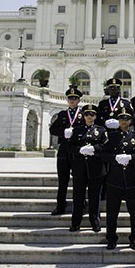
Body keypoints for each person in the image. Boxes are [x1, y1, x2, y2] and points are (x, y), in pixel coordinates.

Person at [100, 107, 135, 250]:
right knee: (112, 212)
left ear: (131, 121)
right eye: (121, 119)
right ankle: (111, 238)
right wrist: (115, 158)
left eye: (126, 119)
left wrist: (131, 158)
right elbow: (102, 154)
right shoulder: (111, 136)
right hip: (115, 180)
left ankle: (134, 238)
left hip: (132, 180)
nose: (124, 121)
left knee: (134, 212)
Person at [68, 104, 107, 232]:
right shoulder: (77, 130)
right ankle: (75, 222)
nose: (89, 117)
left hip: (95, 168)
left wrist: (94, 149)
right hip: (80, 168)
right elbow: (70, 147)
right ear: (83, 116)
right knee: (78, 196)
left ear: (95, 116)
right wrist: (80, 150)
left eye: (92, 114)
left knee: (95, 197)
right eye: (87, 114)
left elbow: (105, 146)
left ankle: (95, 221)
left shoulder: (101, 130)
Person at [48, 87, 84, 215]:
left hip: (77, 150)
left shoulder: (84, 114)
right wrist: (63, 132)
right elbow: (52, 129)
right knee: (62, 180)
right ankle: (60, 205)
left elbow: (87, 130)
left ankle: (80, 204)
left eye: (74, 99)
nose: (72, 101)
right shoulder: (63, 114)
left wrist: (75, 134)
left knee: (79, 180)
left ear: (79, 100)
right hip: (64, 150)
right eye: (70, 99)